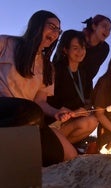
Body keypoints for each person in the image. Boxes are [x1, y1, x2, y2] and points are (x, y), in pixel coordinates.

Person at [0, 10, 77, 166]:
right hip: (4, 109)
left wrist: (57, 112)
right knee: (31, 112)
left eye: (58, 30)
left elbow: (40, 102)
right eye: (51, 26)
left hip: (28, 117)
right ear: (37, 24)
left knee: (69, 154)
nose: (55, 33)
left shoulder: (48, 68)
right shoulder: (6, 43)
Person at [47, 30, 98, 146]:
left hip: (72, 121)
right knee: (88, 122)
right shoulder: (55, 69)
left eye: (83, 47)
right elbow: (46, 100)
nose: (80, 51)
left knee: (93, 120)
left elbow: (87, 100)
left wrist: (84, 109)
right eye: (75, 48)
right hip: (55, 121)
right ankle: (56, 146)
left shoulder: (84, 74)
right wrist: (69, 111)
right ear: (65, 50)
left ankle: (61, 147)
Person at [79, 14, 111, 101]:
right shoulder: (77, 39)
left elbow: (92, 71)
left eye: (109, 29)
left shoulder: (104, 49)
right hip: (65, 80)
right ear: (94, 26)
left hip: (85, 88)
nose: (107, 31)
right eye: (104, 26)